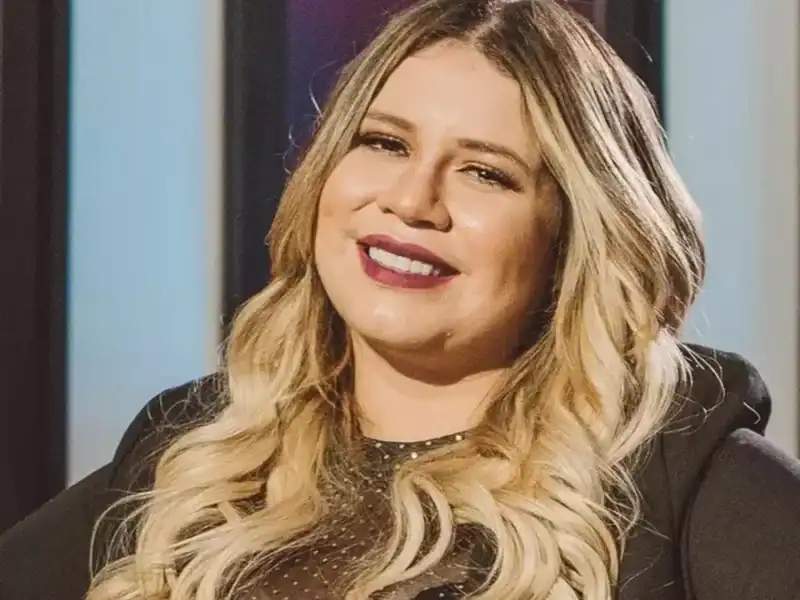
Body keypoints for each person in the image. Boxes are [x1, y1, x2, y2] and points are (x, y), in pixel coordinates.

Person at [2, 0, 799, 598]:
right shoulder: (196, 454)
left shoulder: (681, 478)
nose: (413, 200)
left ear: (571, 239)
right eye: (385, 143)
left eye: (485, 173)